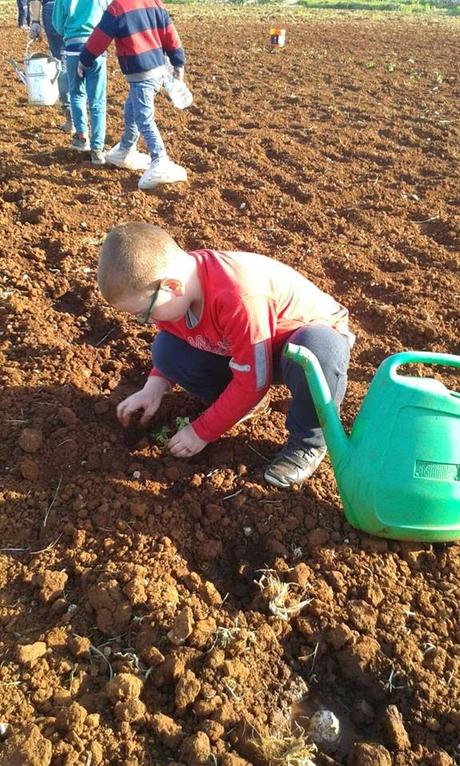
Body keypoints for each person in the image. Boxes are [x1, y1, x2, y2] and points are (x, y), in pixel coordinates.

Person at [97, 223, 355, 488]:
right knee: (166, 351)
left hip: (295, 340)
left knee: (316, 349)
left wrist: (202, 432)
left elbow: (254, 379)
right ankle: (246, 405)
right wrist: (153, 387)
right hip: (245, 345)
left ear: (172, 286)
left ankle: (308, 443)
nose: (146, 321)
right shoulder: (176, 294)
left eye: (144, 312)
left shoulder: (237, 295)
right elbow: (174, 335)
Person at [77, 0, 188, 191]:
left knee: (143, 118)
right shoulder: (155, 3)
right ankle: (126, 149)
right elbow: (170, 33)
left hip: (141, 73)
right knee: (131, 109)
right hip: (158, 68)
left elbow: (99, 38)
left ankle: (160, 159)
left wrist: (84, 60)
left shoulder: (117, 7)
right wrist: (178, 62)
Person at [52, 0, 108, 165]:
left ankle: (81, 137)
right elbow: (110, 16)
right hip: (96, 48)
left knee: (76, 93)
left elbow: (57, 24)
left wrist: (70, 32)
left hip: (73, 48)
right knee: (97, 100)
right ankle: (97, 149)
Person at [28, 0, 73, 132]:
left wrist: (35, 22)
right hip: (79, 7)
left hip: (52, 9)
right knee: (82, 57)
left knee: (61, 60)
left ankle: (70, 113)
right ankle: (85, 111)